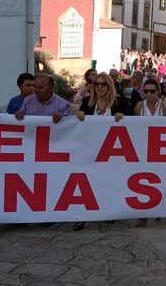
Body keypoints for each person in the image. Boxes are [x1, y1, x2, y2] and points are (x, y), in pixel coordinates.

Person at [73, 71, 121, 231]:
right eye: (97, 84)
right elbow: (80, 123)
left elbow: (131, 123)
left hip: (111, 151)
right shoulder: (87, 102)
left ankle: (108, 211)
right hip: (90, 150)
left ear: (109, 85)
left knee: (108, 181)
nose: (99, 87)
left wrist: (122, 117)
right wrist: (79, 115)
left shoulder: (119, 102)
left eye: (103, 84)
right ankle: (82, 216)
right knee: (86, 182)